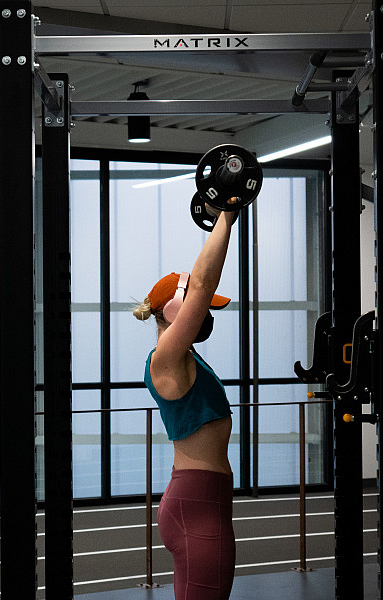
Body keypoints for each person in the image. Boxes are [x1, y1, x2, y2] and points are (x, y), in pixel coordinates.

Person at [132, 208, 237, 600]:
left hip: (205, 500)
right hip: (196, 504)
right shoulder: (166, 357)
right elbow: (203, 281)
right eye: (202, 304)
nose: (206, 311)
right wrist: (227, 214)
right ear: (175, 310)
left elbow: (202, 287)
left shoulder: (184, 357)